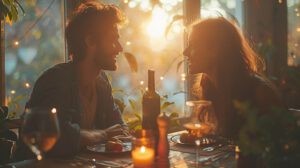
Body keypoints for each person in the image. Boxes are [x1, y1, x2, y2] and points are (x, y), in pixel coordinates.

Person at [19, 1, 128, 157]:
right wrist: (103, 135)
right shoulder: (55, 80)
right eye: (112, 39)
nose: (120, 47)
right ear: (90, 41)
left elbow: (119, 128)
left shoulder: (101, 81)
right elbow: (58, 137)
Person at [183, 18, 283, 139]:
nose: (185, 52)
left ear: (215, 50)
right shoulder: (209, 87)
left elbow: (281, 148)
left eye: (193, 45)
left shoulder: (260, 93)